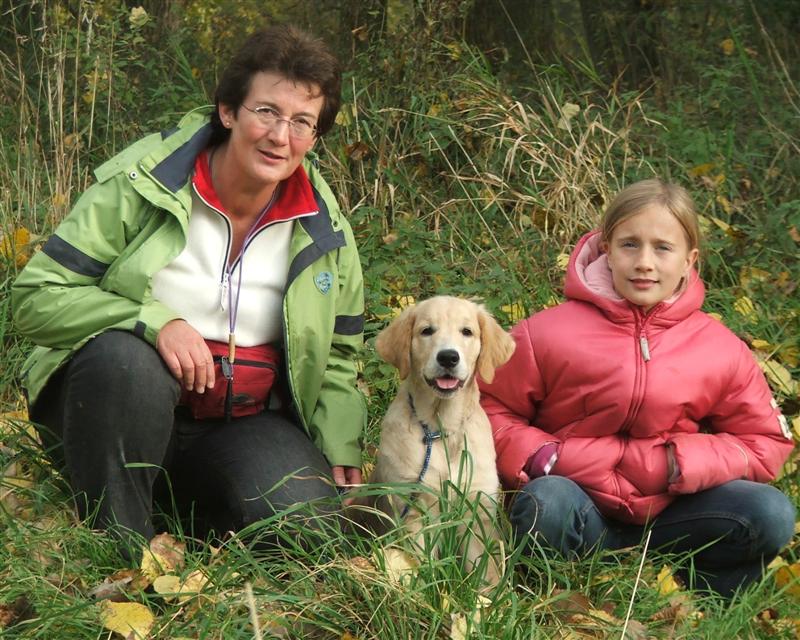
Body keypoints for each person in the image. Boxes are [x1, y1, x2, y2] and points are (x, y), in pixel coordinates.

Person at [12, 25, 365, 554]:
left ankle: (184, 519)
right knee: (125, 362)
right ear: (228, 112)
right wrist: (155, 322)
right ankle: (119, 544)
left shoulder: (324, 229)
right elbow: (36, 297)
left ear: (314, 138)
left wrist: (339, 441)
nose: (280, 136)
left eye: (301, 122)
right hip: (117, 407)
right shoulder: (143, 183)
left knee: (308, 529)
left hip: (241, 420)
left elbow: (339, 351)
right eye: (266, 111)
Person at [480, 178, 795, 598]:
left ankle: (701, 602)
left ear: (689, 260)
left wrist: (679, 462)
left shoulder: (721, 349)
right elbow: (490, 408)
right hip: (577, 503)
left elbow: (764, 442)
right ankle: (552, 595)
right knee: (546, 501)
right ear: (607, 250)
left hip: (674, 514)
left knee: (770, 511)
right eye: (630, 244)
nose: (644, 262)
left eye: (663, 248)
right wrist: (545, 456)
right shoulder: (545, 334)